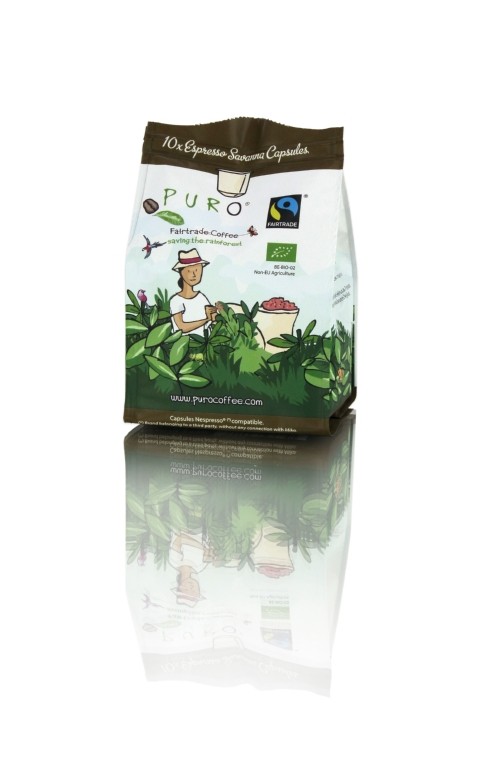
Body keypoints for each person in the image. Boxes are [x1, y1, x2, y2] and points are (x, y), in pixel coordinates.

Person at [169, 249, 217, 334]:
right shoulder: (176, 300)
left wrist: (216, 312)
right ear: (181, 273)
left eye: (197, 270)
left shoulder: (201, 297)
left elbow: (212, 320)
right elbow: (182, 327)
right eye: (189, 271)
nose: (194, 275)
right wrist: (206, 319)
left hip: (204, 341)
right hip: (184, 341)